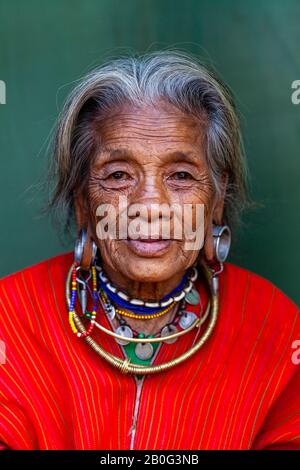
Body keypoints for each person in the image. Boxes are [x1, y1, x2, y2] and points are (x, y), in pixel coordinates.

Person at [0, 51, 299, 450]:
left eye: (180, 176)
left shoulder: (275, 330)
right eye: (119, 175)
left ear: (216, 199)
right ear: (82, 202)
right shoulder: (11, 321)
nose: (151, 205)